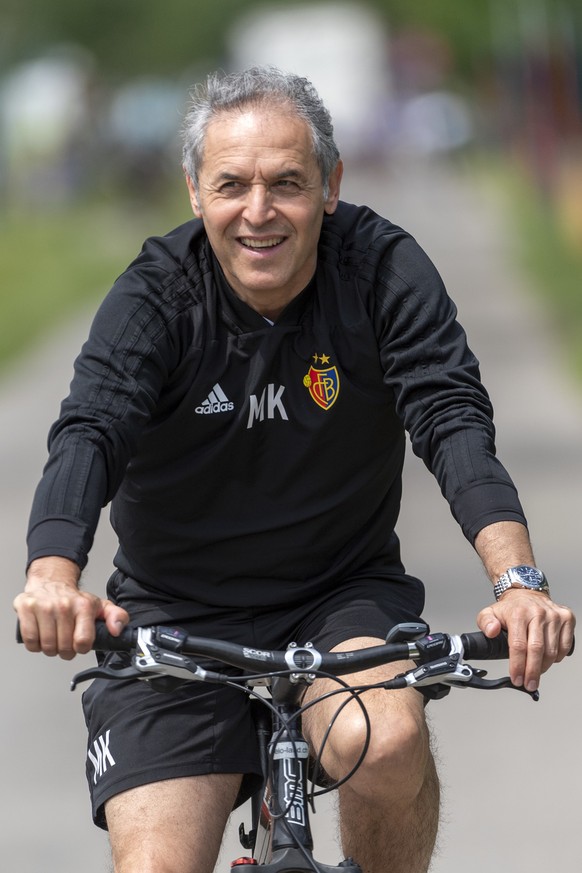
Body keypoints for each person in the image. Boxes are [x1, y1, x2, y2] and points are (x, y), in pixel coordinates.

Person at [14, 67, 574, 873]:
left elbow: (452, 421)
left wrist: (518, 580)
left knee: (384, 741)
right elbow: (90, 432)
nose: (259, 211)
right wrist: (52, 574)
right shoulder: (155, 295)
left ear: (332, 185)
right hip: (177, 614)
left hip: (340, 595)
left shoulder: (381, 270)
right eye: (232, 184)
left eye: (287, 182)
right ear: (195, 193)